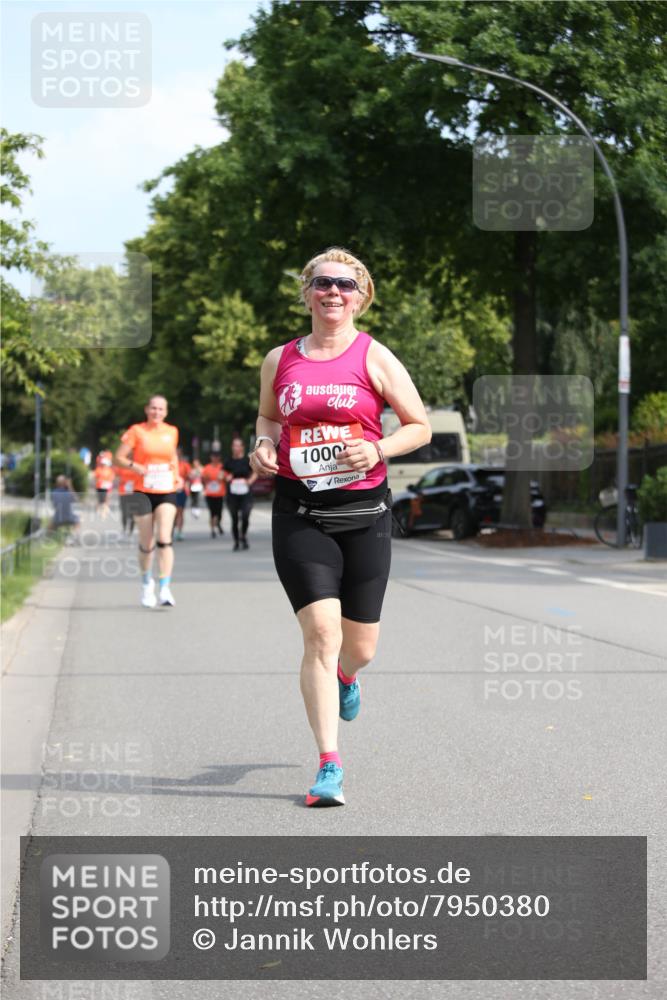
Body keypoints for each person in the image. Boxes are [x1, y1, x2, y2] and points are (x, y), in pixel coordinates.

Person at [250, 247, 431, 807]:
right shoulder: (280, 360)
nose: (334, 292)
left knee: (361, 648)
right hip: (300, 514)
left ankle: (348, 678)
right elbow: (269, 417)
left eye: (346, 285)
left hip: (365, 515)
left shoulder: (375, 358)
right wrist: (261, 444)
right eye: (323, 283)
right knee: (321, 637)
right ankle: (329, 763)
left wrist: (376, 447)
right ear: (306, 292)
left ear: (362, 296)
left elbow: (419, 426)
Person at [115, 395, 181, 608]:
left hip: (166, 488)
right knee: (147, 543)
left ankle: (165, 587)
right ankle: (146, 584)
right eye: (153, 408)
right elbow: (119, 458)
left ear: (166, 412)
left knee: (164, 538)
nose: (156, 412)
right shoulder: (136, 431)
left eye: (161, 409)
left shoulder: (172, 431)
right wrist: (135, 466)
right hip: (142, 490)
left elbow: (173, 457)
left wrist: (178, 475)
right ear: (146, 410)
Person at [224, 438, 257, 551]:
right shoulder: (228, 461)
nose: (236, 448)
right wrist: (226, 477)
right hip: (232, 493)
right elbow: (221, 473)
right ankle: (236, 541)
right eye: (234, 445)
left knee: (245, 516)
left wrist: (250, 481)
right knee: (234, 519)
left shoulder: (247, 460)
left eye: (238, 445)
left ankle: (243, 535)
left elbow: (255, 472)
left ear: (242, 447)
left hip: (245, 492)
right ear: (232, 447)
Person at [202, 452, 226, 539]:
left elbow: (226, 478)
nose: (215, 458)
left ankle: (218, 523)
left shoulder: (222, 467)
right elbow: (203, 479)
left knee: (219, 512)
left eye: (217, 457)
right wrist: (206, 479)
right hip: (210, 493)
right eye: (213, 457)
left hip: (219, 494)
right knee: (212, 513)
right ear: (211, 457)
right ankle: (212, 530)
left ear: (219, 458)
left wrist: (223, 477)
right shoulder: (207, 468)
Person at [50, 475, 80, 542]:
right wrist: (70, 486)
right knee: (77, 521)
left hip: (58, 518)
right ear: (65, 483)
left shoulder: (54, 492)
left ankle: (48, 538)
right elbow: (77, 499)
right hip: (70, 517)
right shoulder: (69, 492)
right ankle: (72, 537)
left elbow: (54, 506)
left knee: (51, 523)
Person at [174, 448, 191, 541]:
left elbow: (189, 476)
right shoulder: (169, 465)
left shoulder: (185, 465)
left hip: (181, 490)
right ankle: (172, 527)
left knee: (180, 511)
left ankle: (179, 531)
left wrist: (187, 485)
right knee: (172, 512)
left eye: (178, 454)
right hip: (170, 490)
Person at [115, 464, 137, 537]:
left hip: (134, 493)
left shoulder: (137, 465)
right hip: (123, 492)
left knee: (133, 513)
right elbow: (116, 476)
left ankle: (131, 530)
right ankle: (124, 529)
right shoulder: (122, 466)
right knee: (124, 512)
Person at [94, 451, 114, 518]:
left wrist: (108, 483)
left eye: (105, 464)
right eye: (103, 463)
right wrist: (100, 481)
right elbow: (96, 477)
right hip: (99, 486)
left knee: (105, 500)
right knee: (100, 500)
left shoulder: (110, 470)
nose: (104, 465)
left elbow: (111, 479)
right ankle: (98, 510)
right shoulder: (98, 469)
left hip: (106, 487)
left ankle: (104, 513)